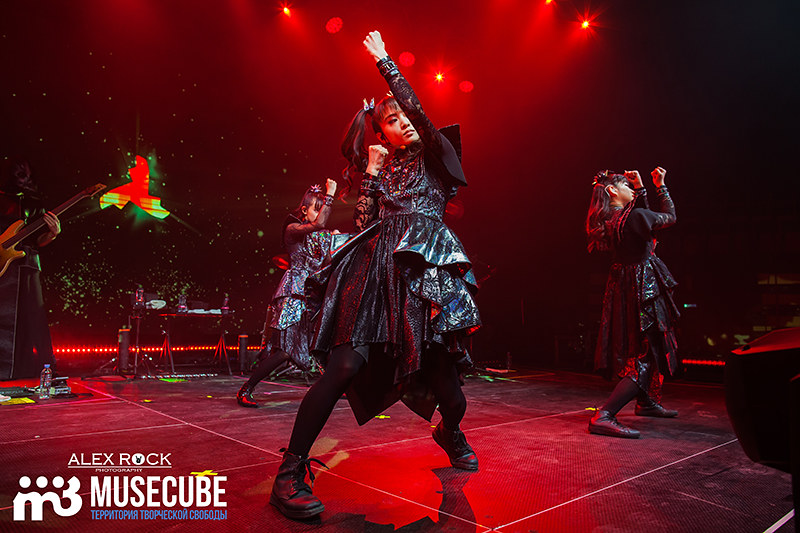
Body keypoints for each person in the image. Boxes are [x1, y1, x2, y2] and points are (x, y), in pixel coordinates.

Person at [269, 31, 481, 520]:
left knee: (450, 393)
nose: (403, 122)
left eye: (406, 115)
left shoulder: (439, 154)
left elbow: (424, 119)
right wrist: (370, 173)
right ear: (380, 133)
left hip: (424, 276)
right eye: (391, 120)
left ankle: (449, 433)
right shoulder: (382, 171)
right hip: (374, 275)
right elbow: (365, 226)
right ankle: (290, 472)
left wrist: (386, 62)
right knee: (343, 367)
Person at [585, 167, 680, 438]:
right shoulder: (634, 217)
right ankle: (604, 414)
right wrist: (659, 185)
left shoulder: (613, 220)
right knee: (647, 353)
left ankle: (646, 402)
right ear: (613, 191)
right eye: (625, 186)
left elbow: (643, 223)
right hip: (643, 288)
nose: (631, 190)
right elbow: (669, 218)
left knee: (645, 347)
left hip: (627, 287)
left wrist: (640, 191)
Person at [236, 179, 340, 407]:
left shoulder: (321, 236)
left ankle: (336, 387)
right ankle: (246, 388)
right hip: (293, 294)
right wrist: (330, 196)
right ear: (304, 210)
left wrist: (336, 243)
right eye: (317, 208)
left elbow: (327, 261)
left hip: (312, 296)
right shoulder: (293, 230)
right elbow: (318, 224)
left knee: (321, 343)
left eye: (322, 207)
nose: (321, 212)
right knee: (284, 351)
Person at [0, 159, 60, 379]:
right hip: (2, 265)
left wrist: (52, 234)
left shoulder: (35, 202)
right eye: (17, 172)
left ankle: (47, 371)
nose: (21, 177)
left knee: (35, 318)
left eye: (24, 173)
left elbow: (38, 240)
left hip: (26, 264)